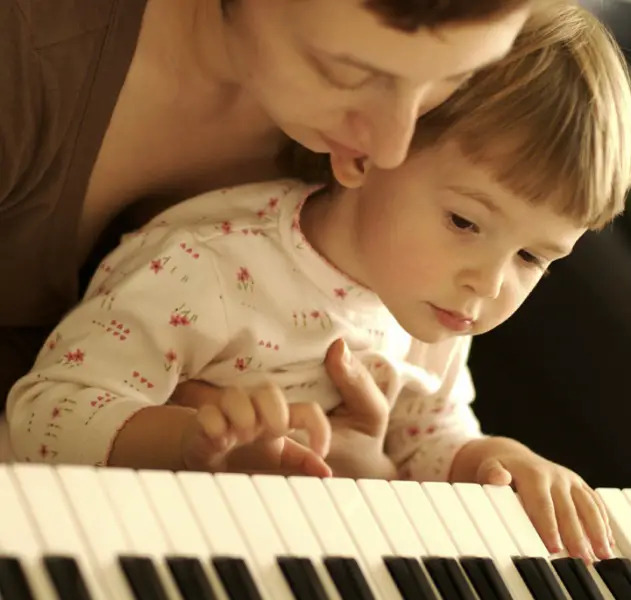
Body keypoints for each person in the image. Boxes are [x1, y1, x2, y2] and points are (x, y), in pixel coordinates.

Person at [7, 1, 631, 563]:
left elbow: (427, 434)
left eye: (531, 257)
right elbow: (45, 416)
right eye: (464, 221)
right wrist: (192, 443)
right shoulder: (207, 265)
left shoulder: (429, 302)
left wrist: (491, 461)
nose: (488, 285)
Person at [0, 0, 531, 416]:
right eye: (348, 71)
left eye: (457, 76)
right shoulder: (22, 55)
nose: (392, 148)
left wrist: (358, 466)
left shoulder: (401, 152)